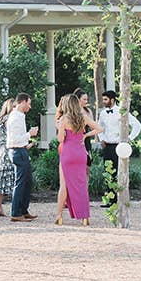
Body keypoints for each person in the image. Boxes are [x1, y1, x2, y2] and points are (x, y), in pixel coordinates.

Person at [55, 91, 100, 225]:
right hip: (81, 153)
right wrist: (85, 136)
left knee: (64, 185)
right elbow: (99, 128)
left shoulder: (64, 119)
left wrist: (59, 128)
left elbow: (60, 139)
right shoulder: (83, 117)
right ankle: (85, 217)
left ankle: (59, 216)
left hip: (67, 153)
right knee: (82, 185)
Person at [96, 89, 141, 202]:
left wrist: (129, 139)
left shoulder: (122, 111)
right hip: (107, 146)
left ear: (112, 100)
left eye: (106, 99)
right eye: (103, 99)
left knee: (119, 173)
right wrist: (101, 139)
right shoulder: (102, 113)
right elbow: (99, 127)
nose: (104, 102)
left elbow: (137, 125)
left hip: (118, 147)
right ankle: (109, 200)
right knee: (108, 173)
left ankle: (120, 199)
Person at [7, 92, 39, 222]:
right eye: (29, 103)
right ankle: (15, 212)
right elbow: (14, 139)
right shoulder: (15, 117)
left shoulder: (20, 116)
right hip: (17, 151)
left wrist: (27, 143)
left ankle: (23, 210)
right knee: (20, 183)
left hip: (21, 150)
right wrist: (29, 134)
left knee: (27, 182)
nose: (30, 107)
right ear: (23, 102)